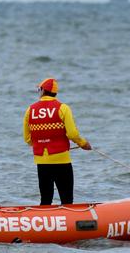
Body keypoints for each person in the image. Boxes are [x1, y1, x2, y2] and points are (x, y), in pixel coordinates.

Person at [23, 78, 92, 206]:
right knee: (67, 200)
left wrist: (42, 144)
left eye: (39, 89)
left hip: (41, 161)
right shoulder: (63, 108)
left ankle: (45, 224)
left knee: (45, 200)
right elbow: (72, 134)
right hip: (62, 160)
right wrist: (83, 144)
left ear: (43, 91)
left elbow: (27, 138)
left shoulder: (30, 110)